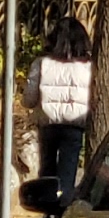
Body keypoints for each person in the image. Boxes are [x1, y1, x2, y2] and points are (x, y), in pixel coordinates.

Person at [28, 15, 93, 206]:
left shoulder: (41, 64)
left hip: (47, 123)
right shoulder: (88, 66)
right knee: (68, 171)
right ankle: (64, 208)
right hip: (74, 124)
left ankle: (46, 210)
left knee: (46, 170)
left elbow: (29, 99)